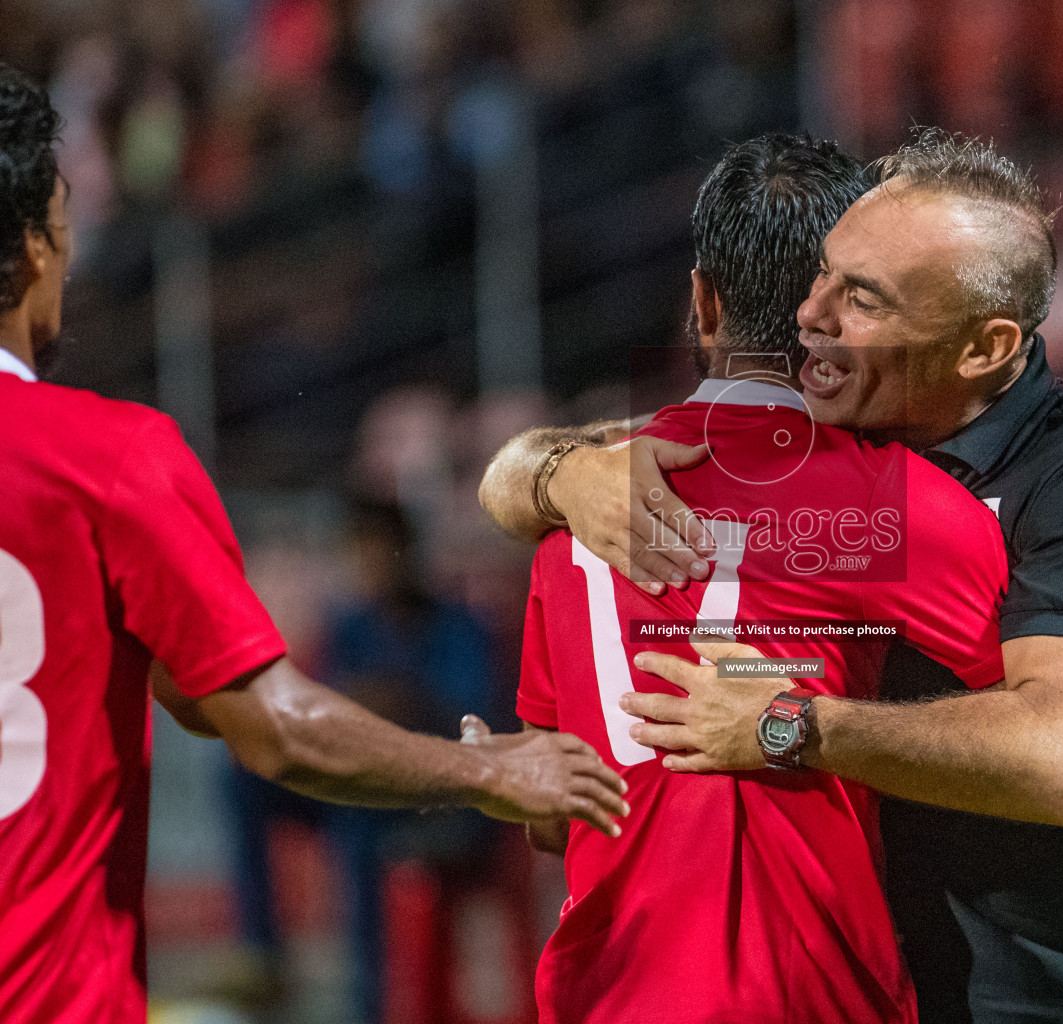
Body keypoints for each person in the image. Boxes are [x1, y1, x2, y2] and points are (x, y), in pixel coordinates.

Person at [480, 130, 1063, 1024]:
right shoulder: (822, 453)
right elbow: (747, 664)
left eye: (860, 296)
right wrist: (550, 474)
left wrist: (784, 724)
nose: (810, 314)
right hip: (857, 980)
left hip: (1024, 992)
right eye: (821, 274)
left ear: (983, 348)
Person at [0, 63, 627, 1024]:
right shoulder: (109, 459)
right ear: (36, 248)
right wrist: (492, 769)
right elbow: (276, 729)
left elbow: (192, 694)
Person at [511, 133, 1011, 1023]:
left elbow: (549, 817)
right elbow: (1031, 737)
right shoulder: (896, 509)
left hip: (607, 995)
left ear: (702, 300)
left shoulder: (571, 524)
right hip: (808, 993)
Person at [225, 499, 501, 1022]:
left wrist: (402, 700)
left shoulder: (458, 624)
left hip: (444, 793)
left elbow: (479, 718)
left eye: (378, 550)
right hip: (366, 784)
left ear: (407, 552)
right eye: (358, 552)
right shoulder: (349, 626)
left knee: (357, 819)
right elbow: (326, 708)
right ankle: (263, 954)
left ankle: (367, 1004)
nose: (368, 564)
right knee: (243, 777)